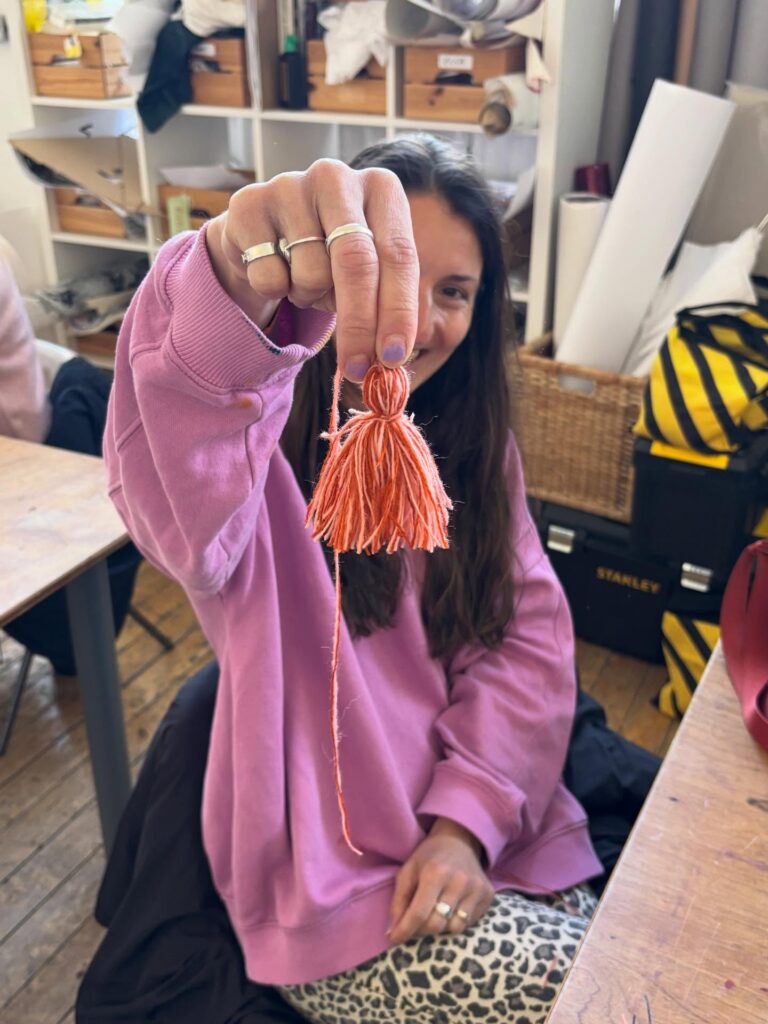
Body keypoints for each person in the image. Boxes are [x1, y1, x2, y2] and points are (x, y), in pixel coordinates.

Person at [102, 135, 603, 1024]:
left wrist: (466, 821)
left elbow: (526, 636)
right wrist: (224, 273)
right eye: (394, 281)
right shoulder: (252, 468)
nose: (420, 320)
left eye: (455, 293)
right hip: (341, 888)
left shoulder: (481, 455)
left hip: (496, 832)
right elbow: (180, 462)